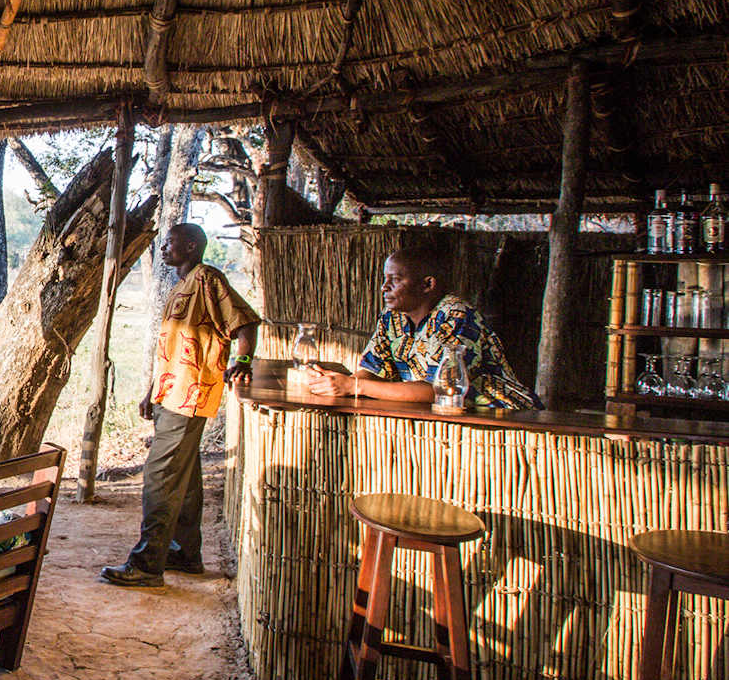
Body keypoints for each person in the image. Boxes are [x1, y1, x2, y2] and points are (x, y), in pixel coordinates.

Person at [102, 222, 260, 589]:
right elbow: (174, 348)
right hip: (170, 396)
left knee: (159, 479)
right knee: (184, 480)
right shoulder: (181, 286)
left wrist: (245, 361)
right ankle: (185, 554)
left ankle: (146, 565)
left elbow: (246, 321)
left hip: (190, 397)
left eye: (170, 243)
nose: (164, 249)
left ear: (191, 245)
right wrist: (152, 392)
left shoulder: (207, 278)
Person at [306, 244, 540, 409]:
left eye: (394, 280)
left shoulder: (457, 317)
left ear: (427, 285)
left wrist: (353, 385)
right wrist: (333, 382)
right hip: (446, 417)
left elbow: (436, 390)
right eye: (385, 279)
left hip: (503, 417)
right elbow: (372, 370)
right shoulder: (392, 318)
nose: (383, 287)